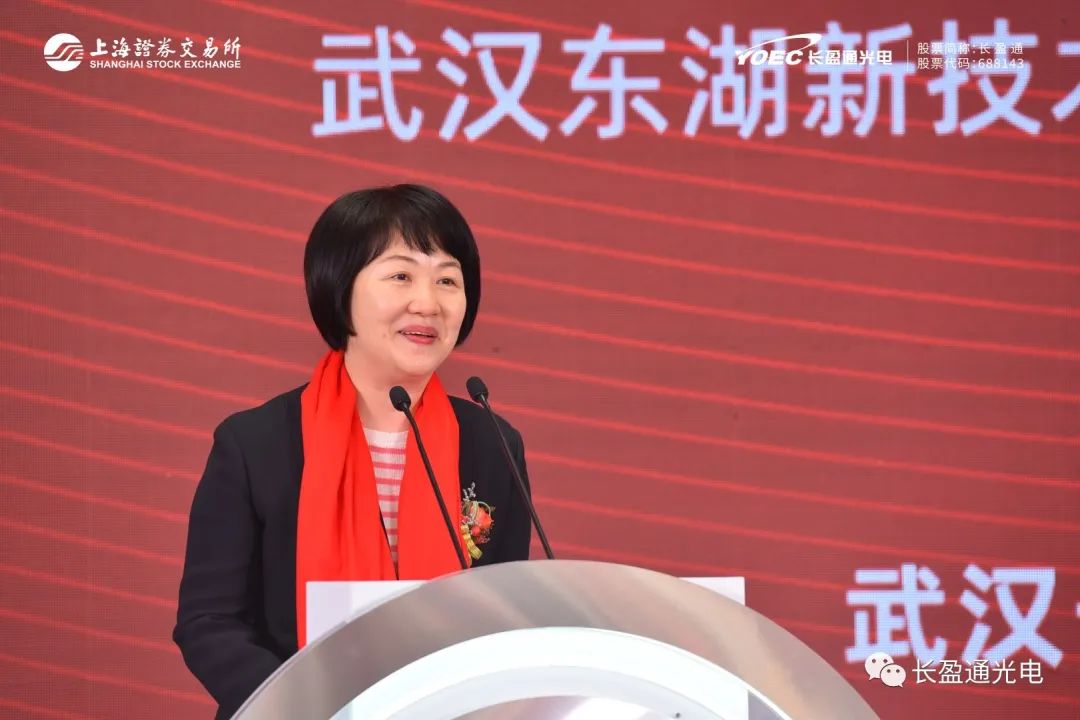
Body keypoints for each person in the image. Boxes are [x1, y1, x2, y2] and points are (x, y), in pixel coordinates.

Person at [172, 184, 533, 719]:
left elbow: (505, 612)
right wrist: (307, 706)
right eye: (401, 276)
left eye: (447, 280)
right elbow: (210, 622)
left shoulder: (492, 443)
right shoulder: (255, 443)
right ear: (339, 289)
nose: (428, 303)